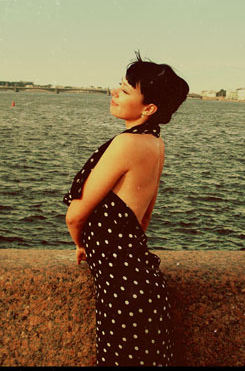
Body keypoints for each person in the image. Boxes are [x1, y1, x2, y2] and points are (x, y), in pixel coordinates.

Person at [63, 51, 189, 366]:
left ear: (148, 108)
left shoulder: (125, 144)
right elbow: (144, 217)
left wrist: (80, 243)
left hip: (124, 295)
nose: (114, 92)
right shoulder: (155, 143)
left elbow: (76, 214)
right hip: (141, 287)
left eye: (125, 90)